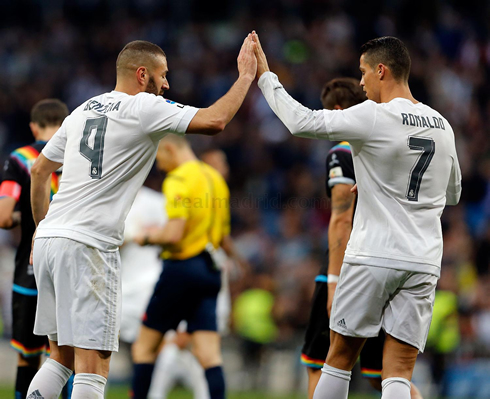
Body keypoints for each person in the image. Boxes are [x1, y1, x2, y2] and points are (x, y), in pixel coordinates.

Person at [28, 36, 257, 399]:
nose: (167, 84)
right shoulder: (145, 107)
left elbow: (39, 171)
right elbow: (215, 121)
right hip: (89, 246)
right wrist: (246, 76)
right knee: (93, 364)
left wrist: (39, 231)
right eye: (163, 75)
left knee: (59, 358)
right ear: (142, 74)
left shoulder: (82, 110)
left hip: (49, 241)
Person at [253, 33, 461, 399]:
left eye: (363, 72)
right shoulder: (442, 124)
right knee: (397, 370)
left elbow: (302, 122)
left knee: (339, 357)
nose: (361, 82)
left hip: (373, 255)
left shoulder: (374, 115)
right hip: (424, 259)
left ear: (381, 70)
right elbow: (453, 193)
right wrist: (384, 181)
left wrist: (265, 76)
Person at [300, 78, 422, 399]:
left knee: (323, 363)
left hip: (355, 265)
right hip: (400, 258)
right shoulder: (388, 145)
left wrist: (333, 280)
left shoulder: (343, 150)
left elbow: (341, 218)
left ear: (338, 112)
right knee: (389, 373)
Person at [130, 135, 231, 399]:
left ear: (170, 149)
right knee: (210, 355)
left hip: (181, 269)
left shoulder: (178, 179)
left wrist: (147, 238)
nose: (160, 166)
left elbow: (174, 234)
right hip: (211, 270)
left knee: (144, 348)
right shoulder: (215, 179)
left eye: (159, 158)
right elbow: (222, 237)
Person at [0, 99, 73, 399]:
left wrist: (24, 217)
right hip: (71, 265)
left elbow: (4, 217)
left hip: (31, 268)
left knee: (27, 355)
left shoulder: (19, 160)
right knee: (69, 355)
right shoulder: (78, 156)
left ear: (33, 126)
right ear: (66, 125)